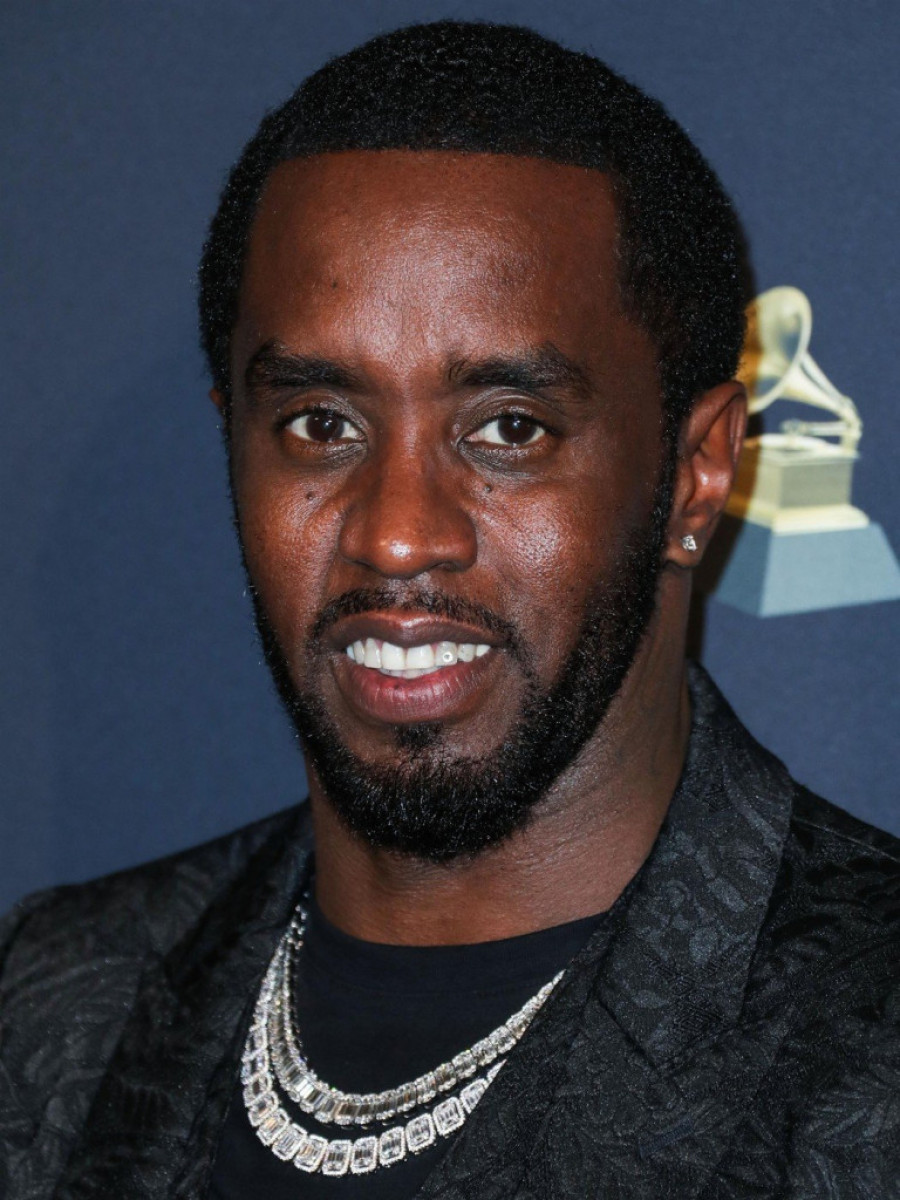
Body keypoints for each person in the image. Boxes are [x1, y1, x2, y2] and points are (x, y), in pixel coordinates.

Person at [1, 20, 898, 1199]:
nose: (397, 531)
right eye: (321, 424)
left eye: (509, 429)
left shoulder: (867, 1046)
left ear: (695, 475)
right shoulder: (60, 1002)